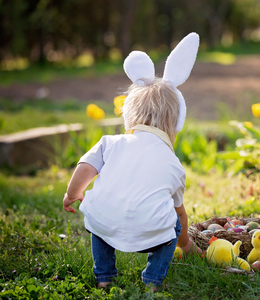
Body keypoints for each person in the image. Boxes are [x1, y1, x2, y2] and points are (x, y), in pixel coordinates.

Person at [63, 32, 202, 290]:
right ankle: (152, 280)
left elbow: (85, 167)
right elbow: (178, 212)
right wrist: (185, 243)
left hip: (105, 221)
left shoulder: (110, 143)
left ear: (128, 114)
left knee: (99, 219)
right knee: (172, 223)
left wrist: (72, 194)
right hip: (150, 232)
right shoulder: (173, 164)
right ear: (174, 124)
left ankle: (104, 276)